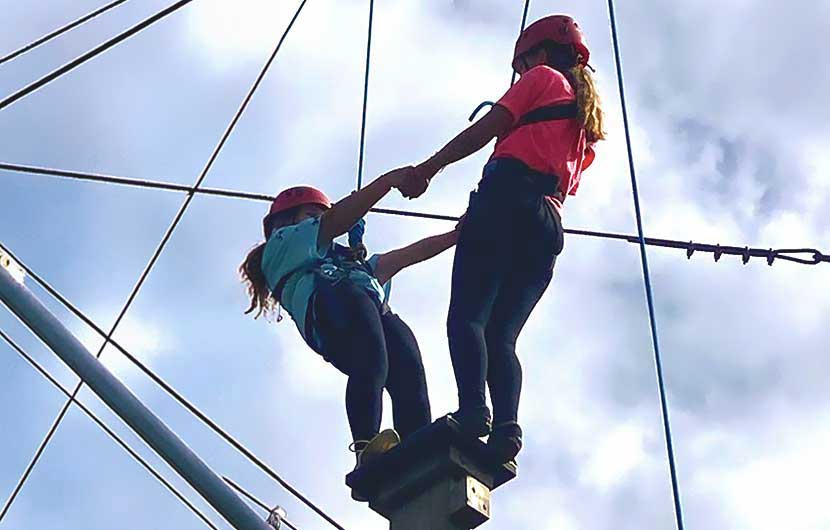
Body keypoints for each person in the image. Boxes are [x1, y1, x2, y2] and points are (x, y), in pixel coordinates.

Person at [397, 14, 606, 463]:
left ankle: (474, 411)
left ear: (541, 54)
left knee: (467, 318)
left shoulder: (543, 79)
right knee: (501, 336)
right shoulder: (582, 125)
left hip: (505, 199)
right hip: (546, 226)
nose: (522, 72)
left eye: (523, 63)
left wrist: (428, 169)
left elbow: (485, 130)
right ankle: (508, 429)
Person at [239, 170, 460, 482]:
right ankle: (365, 446)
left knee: (405, 358)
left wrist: (457, 235)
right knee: (370, 351)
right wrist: (387, 182)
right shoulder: (283, 244)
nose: (318, 221)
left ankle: (418, 444)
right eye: (311, 215)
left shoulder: (351, 264)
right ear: (286, 220)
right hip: (329, 309)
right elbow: (337, 221)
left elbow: (407, 255)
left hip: (356, 309)